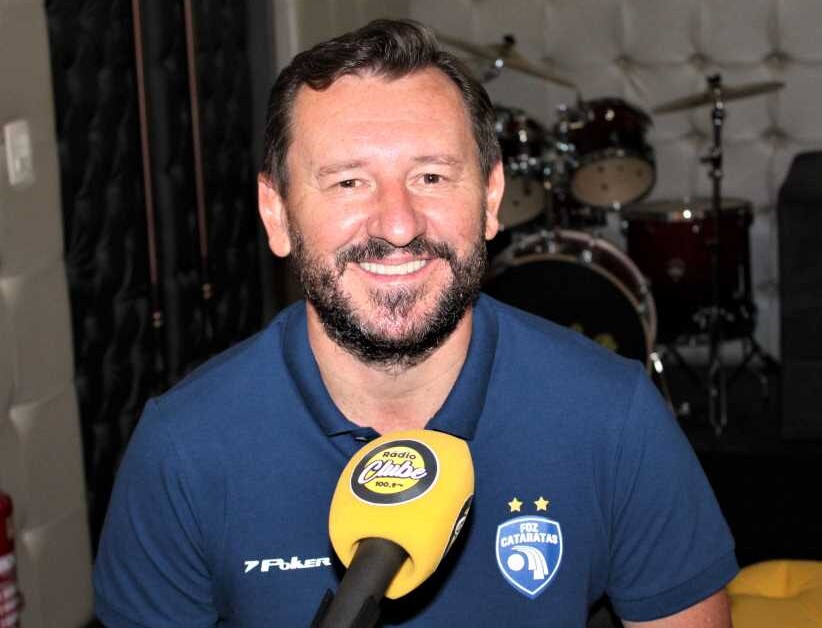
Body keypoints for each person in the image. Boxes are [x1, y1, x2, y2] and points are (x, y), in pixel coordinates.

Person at [93, 19, 738, 627]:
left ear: (491, 199)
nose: (398, 225)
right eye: (349, 182)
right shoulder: (183, 452)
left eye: (430, 176)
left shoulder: (613, 415)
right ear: (277, 214)